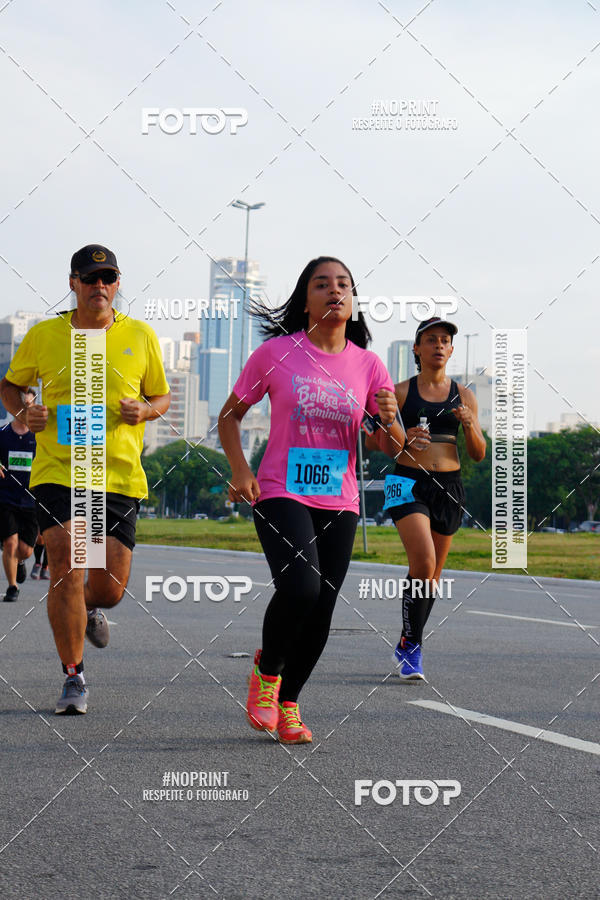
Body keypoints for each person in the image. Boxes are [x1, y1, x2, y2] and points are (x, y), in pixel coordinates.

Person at [218, 256, 404, 743]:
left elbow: (390, 444)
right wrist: (240, 469)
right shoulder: (277, 353)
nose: (335, 291)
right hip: (280, 489)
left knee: (321, 606)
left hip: (338, 499)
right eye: (322, 284)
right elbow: (230, 416)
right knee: (300, 588)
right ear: (306, 299)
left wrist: (391, 421)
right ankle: (267, 673)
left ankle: (290, 702)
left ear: (354, 300)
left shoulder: (369, 364)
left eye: (344, 283)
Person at [0, 244, 170, 714]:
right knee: (66, 565)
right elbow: (10, 385)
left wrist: (145, 410)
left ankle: (89, 609)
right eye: (90, 278)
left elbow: (160, 396)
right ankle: (73, 677)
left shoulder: (141, 335)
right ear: (73, 283)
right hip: (58, 471)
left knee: (110, 587)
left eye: (109, 278)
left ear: (117, 285)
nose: (100, 286)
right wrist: (23, 412)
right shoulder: (45, 335)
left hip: (116, 475)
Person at [367, 316, 486, 681]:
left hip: (450, 486)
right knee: (423, 561)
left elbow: (478, 453)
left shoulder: (464, 396)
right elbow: (374, 439)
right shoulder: (400, 392)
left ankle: (407, 643)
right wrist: (400, 433)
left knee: (432, 575)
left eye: (445, 341)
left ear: (451, 350)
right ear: (417, 348)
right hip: (406, 480)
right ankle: (413, 649)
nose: (438, 345)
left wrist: (468, 424)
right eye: (430, 340)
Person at [0, 388, 38, 602]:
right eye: (21, 405)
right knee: (11, 543)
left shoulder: (40, 438)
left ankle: (20, 562)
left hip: (31, 500)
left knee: (25, 550)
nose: (25, 409)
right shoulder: (3, 434)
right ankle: (12, 587)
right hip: (5, 497)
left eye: (29, 405)